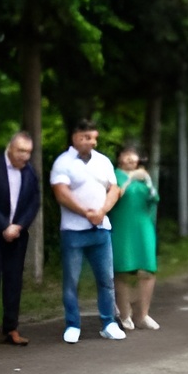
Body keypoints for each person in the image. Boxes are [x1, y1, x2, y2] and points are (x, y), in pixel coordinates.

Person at [50, 119, 126, 344]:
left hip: (101, 229)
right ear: (75, 137)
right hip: (73, 231)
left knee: (106, 279)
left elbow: (114, 189)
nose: (91, 142)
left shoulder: (102, 161)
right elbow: (61, 192)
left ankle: (109, 322)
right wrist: (86, 212)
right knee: (71, 281)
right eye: (86, 137)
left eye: (94, 138)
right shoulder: (63, 162)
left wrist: (101, 211)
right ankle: (73, 324)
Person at [0, 131, 41, 349]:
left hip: (18, 234)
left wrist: (19, 226)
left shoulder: (30, 172)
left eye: (28, 152)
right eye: (21, 151)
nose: (25, 156)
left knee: (14, 281)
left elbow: (34, 202)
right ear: (10, 148)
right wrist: (4, 225)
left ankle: (11, 327)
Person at [109, 146, 161, 331]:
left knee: (147, 270)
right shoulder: (113, 175)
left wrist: (147, 182)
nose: (131, 158)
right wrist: (130, 180)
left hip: (143, 226)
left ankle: (143, 314)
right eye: (126, 154)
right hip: (122, 226)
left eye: (134, 155)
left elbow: (154, 199)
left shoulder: (143, 177)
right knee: (122, 270)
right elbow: (116, 196)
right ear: (120, 158)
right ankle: (124, 314)